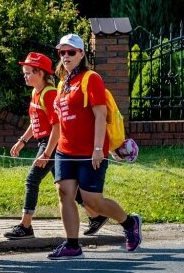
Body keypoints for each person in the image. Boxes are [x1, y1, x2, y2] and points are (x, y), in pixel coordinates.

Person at [49, 34, 142, 259]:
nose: (66, 56)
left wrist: (98, 148)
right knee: (64, 193)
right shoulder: (62, 84)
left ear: (81, 54)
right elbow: (61, 120)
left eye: (71, 52)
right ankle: (72, 244)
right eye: (62, 52)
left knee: (93, 200)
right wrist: (50, 150)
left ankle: (130, 223)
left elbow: (100, 115)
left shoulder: (91, 79)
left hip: (90, 152)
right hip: (65, 150)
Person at [5, 52, 107, 240]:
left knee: (32, 180)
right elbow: (35, 121)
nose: (25, 76)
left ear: (41, 73)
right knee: (68, 189)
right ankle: (97, 216)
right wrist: (22, 140)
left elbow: (57, 126)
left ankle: (25, 226)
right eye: (24, 72)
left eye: (28, 72)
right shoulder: (36, 93)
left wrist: (47, 153)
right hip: (45, 143)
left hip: (52, 143)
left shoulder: (50, 94)